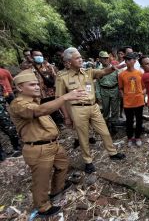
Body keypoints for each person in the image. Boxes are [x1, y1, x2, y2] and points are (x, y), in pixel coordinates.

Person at [9, 69, 87, 217]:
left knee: (63, 166)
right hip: (38, 148)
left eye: (37, 84)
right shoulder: (18, 104)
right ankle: (43, 207)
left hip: (53, 144)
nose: (37, 87)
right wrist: (64, 97)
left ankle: (58, 189)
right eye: (32, 85)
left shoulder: (33, 101)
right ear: (20, 88)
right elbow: (40, 111)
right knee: (41, 181)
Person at [56, 47, 126, 174]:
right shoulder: (62, 77)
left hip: (93, 107)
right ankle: (88, 161)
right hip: (77, 109)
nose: (80, 59)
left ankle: (112, 152)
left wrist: (112, 68)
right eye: (77, 58)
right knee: (83, 137)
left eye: (80, 57)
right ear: (69, 61)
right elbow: (60, 99)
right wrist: (66, 117)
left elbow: (103, 72)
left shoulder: (88, 72)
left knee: (104, 132)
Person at [118, 52, 145, 147]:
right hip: (128, 102)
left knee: (139, 120)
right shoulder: (122, 75)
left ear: (134, 61)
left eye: (129, 59)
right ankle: (129, 138)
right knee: (129, 121)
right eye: (126, 60)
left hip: (139, 101)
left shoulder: (140, 73)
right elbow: (120, 88)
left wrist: (142, 94)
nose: (127, 61)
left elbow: (144, 87)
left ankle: (137, 137)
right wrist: (123, 95)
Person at [95, 51, 120, 127]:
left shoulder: (114, 68)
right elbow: (97, 83)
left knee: (115, 109)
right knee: (105, 109)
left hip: (114, 90)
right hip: (104, 91)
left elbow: (119, 80)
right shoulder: (98, 70)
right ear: (100, 59)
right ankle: (105, 124)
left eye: (106, 58)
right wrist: (98, 94)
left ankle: (114, 123)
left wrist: (120, 91)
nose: (105, 60)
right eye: (103, 58)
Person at [0, 84, 21, 161]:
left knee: (11, 130)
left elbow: (6, 95)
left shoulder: (1, 86)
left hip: (2, 113)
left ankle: (17, 148)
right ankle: (1, 155)